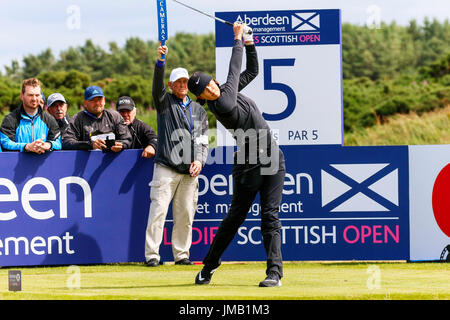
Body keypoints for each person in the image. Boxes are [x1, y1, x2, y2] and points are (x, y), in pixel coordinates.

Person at [188, 23, 286, 287]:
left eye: (209, 84)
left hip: (272, 158)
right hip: (248, 164)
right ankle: (208, 267)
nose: (210, 90)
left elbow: (252, 70)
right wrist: (237, 37)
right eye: (204, 92)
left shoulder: (227, 91)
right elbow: (234, 70)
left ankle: (274, 274)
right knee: (235, 218)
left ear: (212, 81)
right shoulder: (223, 103)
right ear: (202, 98)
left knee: (270, 216)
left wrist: (250, 42)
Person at [144, 43, 209, 266]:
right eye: (178, 82)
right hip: (166, 167)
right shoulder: (164, 102)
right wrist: (161, 61)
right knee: (158, 213)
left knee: (185, 216)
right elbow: (156, 87)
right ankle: (152, 256)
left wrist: (199, 160)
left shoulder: (199, 110)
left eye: (185, 82)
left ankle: (182, 255)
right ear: (171, 85)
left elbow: (202, 141)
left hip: (189, 172)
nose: (182, 85)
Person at [0, 78, 62, 153]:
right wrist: (26, 146)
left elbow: (59, 143)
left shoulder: (49, 119)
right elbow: (5, 143)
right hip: (17, 164)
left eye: (37, 95)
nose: (34, 99)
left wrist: (48, 145)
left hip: (43, 164)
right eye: (30, 95)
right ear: (22, 96)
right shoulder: (10, 119)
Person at [62, 86, 132, 151]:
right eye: (93, 100)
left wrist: (121, 145)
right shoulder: (77, 119)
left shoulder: (115, 116)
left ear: (104, 100)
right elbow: (67, 142)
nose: (97, 103)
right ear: (85, 103)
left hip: (112, 161)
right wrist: (89, 145)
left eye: (100, 99)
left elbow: (127, 139)